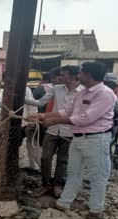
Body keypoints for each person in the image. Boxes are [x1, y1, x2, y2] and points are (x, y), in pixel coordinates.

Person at [28, 62, 116, 219]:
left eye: (81, 72)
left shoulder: (105, 93)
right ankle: (64, 202)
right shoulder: (82, 93)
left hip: (97, 138)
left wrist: (55, 122)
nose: (78, 75)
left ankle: (96, 210)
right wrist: (42, 116)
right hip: (78, 138)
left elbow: (86, 118)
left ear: (89, 74)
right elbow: (66, 111)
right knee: (73, 171)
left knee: (98, 176)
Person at [25, 65, 83, 198]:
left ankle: (57, 185)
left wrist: (45, 117)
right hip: (52, 130)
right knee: (45, 158)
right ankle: (45, 184)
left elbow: (78, 114)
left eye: (63, 75)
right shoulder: (56, 89)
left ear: (73, 76)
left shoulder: (83, 92)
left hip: (70, 132)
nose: (60, 77)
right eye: (60, 75)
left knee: (63, 160)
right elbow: (40, 103)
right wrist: (21, 97)